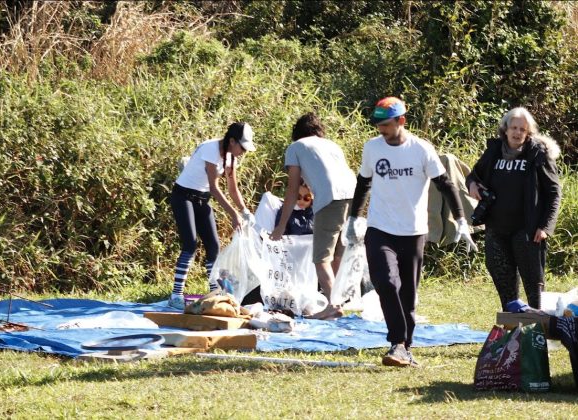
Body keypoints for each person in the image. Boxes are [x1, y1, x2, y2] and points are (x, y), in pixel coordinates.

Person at [347, 97, 477, 367]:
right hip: (380, 228)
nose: (380, 130)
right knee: (385, 282)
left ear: (401, 121)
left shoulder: (421, 149)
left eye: (385, 125)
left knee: (408, 293)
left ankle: (405, 346)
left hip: (413, 231)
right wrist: (353, 219)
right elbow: (363, 183)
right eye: (377, 125)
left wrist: (462, 220)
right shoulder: (372, 148)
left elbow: (446, 184)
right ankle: (397, 341)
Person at [466, 107, 561, 312]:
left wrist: (545, 226)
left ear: (528, 133)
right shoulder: (494, 151)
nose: (517, 133)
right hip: (497, 230)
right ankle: (513, 336)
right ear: (505, 129)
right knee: (505, 287)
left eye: (522, 129)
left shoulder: (537, 153)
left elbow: (554, 193)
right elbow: (473, 175)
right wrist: (472, 185)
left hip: (527, 232)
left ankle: (536, 336)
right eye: (514, 128)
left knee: (534, 290)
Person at [270, 112, 357, 319]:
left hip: (331, 199)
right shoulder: (331, 145)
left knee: (321, 258)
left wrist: (281, 226)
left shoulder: (296, 147)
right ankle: (335, 302)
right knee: (337, 254)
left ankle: (333, 306)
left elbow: (292, 190)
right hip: (354, 196)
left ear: (297, 133)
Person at [168, 122, 256, 310]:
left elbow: (233, 189)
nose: (243, 152)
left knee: (213, 247)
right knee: (190, 244)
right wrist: (233, 214)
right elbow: (215, 188)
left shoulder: (231, 158)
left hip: (202, 199)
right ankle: (176, 294)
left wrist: (244, 211)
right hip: (183, 196)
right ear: (232, 141)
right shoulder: (210, 149)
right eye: (242, 147)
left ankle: (214, 292)